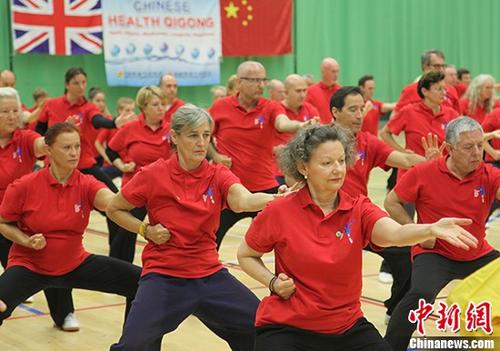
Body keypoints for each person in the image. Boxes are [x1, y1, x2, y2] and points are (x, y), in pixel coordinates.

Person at [237, 124, 477, 351]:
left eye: (341, 160)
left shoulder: (358, 208)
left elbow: (395, 233)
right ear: (303, 167)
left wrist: (430, 228)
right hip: (287, 328)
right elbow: (246, 254)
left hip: (346, 327)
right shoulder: (280, 210)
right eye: (327, 163)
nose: (338, 169)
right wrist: (272, 283)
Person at [107, 104, 295, 351]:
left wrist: (275, 199)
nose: (201, 143)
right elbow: (114, 208)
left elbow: (243, 201)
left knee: (262, 330)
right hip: (164, 276)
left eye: (206, 135)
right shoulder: (153, 175)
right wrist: (145, 230)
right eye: (193, 135)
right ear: (174, 137)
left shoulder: (217, 175)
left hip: (209, 275)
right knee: (133, 345)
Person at [0, 122, 141, 333]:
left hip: (75, 263)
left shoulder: (87, 183)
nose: (74, 153)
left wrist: (141, 191)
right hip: (30, 266)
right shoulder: (24, 186)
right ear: (48, 150)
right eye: (67, 148)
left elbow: (111, 202)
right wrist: (26, 241)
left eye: (77, 147)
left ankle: (133, 346)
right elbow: (3, 223)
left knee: (143, 284)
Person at [384, 117, 500, 351]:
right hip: (435, 253)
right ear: (450, 148)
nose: (477, 153)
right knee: (420, 295)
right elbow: (392, 201)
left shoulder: (488, 174)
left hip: (477, 252)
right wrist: (417, 233)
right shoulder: (424, 172)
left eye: (480, 145)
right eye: (469, 147)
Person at [330, 86, 441, 322]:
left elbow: (404, 159)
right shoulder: (319, 140)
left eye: (362, 109)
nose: (360, 115)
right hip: (325, 220)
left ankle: (395, 309)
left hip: (360, 215)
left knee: (405, 251)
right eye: (353, 110)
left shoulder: (368, 141)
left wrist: (428, 163)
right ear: (335, 112)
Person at [208, 61, 318, 249]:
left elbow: (282, 124)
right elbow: (205, 136)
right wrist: (215, 156)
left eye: (263, 80)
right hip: (228, 189)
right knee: (210, 240)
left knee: (284, 240)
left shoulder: (271, 107)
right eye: (255, 80)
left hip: (264, 188)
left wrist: (299, 125)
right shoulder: (220, 107)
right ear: (240, 82)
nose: (261, 85)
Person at [35, 67, 136, 258]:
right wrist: (62, 129)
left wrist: (114, 122)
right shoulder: (51, 104)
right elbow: (39, 132)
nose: (81, 87)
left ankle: (117, 260)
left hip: (85, 167)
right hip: (54, 170)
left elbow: (97, 120)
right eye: (76, 83)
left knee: (116, 207)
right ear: (67, 84)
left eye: (83, 83)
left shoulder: (88, 107)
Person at [0, 87, 77, 331]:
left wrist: (59, 137)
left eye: (16, 110)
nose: (13, 116)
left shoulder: (24, 138)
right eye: (5, 111)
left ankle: (64, 313)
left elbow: (43, 145)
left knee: (49, 258)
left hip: (19, 217)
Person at [105, 86, 172, 263]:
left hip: (164, 189)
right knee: (125, 233)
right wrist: (122, 166)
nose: (161, 109)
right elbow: (111, 150)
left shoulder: (171, 130)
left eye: (163, 104)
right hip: (136, 187)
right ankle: (119, 272)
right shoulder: (131, 128)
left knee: (169, 231)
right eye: (156, 104)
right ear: (144, 107)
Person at [380, 71, 459, 183]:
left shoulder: (452, 114)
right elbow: (384, 133)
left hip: (442, 176)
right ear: (424, 91)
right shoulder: (409, 112)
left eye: (444, 89)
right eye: (438, 89)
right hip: (412, 175)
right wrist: (401, 151)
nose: (444, 93)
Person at [273, 74, 320, 184]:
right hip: (279, 172)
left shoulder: (311, 110)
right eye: (298, 91)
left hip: (304, 171)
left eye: (304, 90)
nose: (302, 95)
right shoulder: (275, 110)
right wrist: (274, 149)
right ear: (286, 92)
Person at [394, 49, 459, 113]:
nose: (441, 70)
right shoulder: (410, 90)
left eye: (443, 66)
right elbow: (396, 117)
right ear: (425, 67)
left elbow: (459, 119)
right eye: (437, 66)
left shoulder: (451, 90)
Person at [95, 97, 136, 181]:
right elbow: (98, 143)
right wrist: (107, 157)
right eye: (127, 110)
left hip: (128, 166)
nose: (131, 113)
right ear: (120, 111)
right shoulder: (111, 126)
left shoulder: (135, 126)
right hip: (112, 166)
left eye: (133, 110)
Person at [305, 57, 342, 123]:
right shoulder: (310, 91)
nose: (336, 75)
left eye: (337, 71)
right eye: (333, 72)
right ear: (323, 72)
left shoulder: (341, 91)